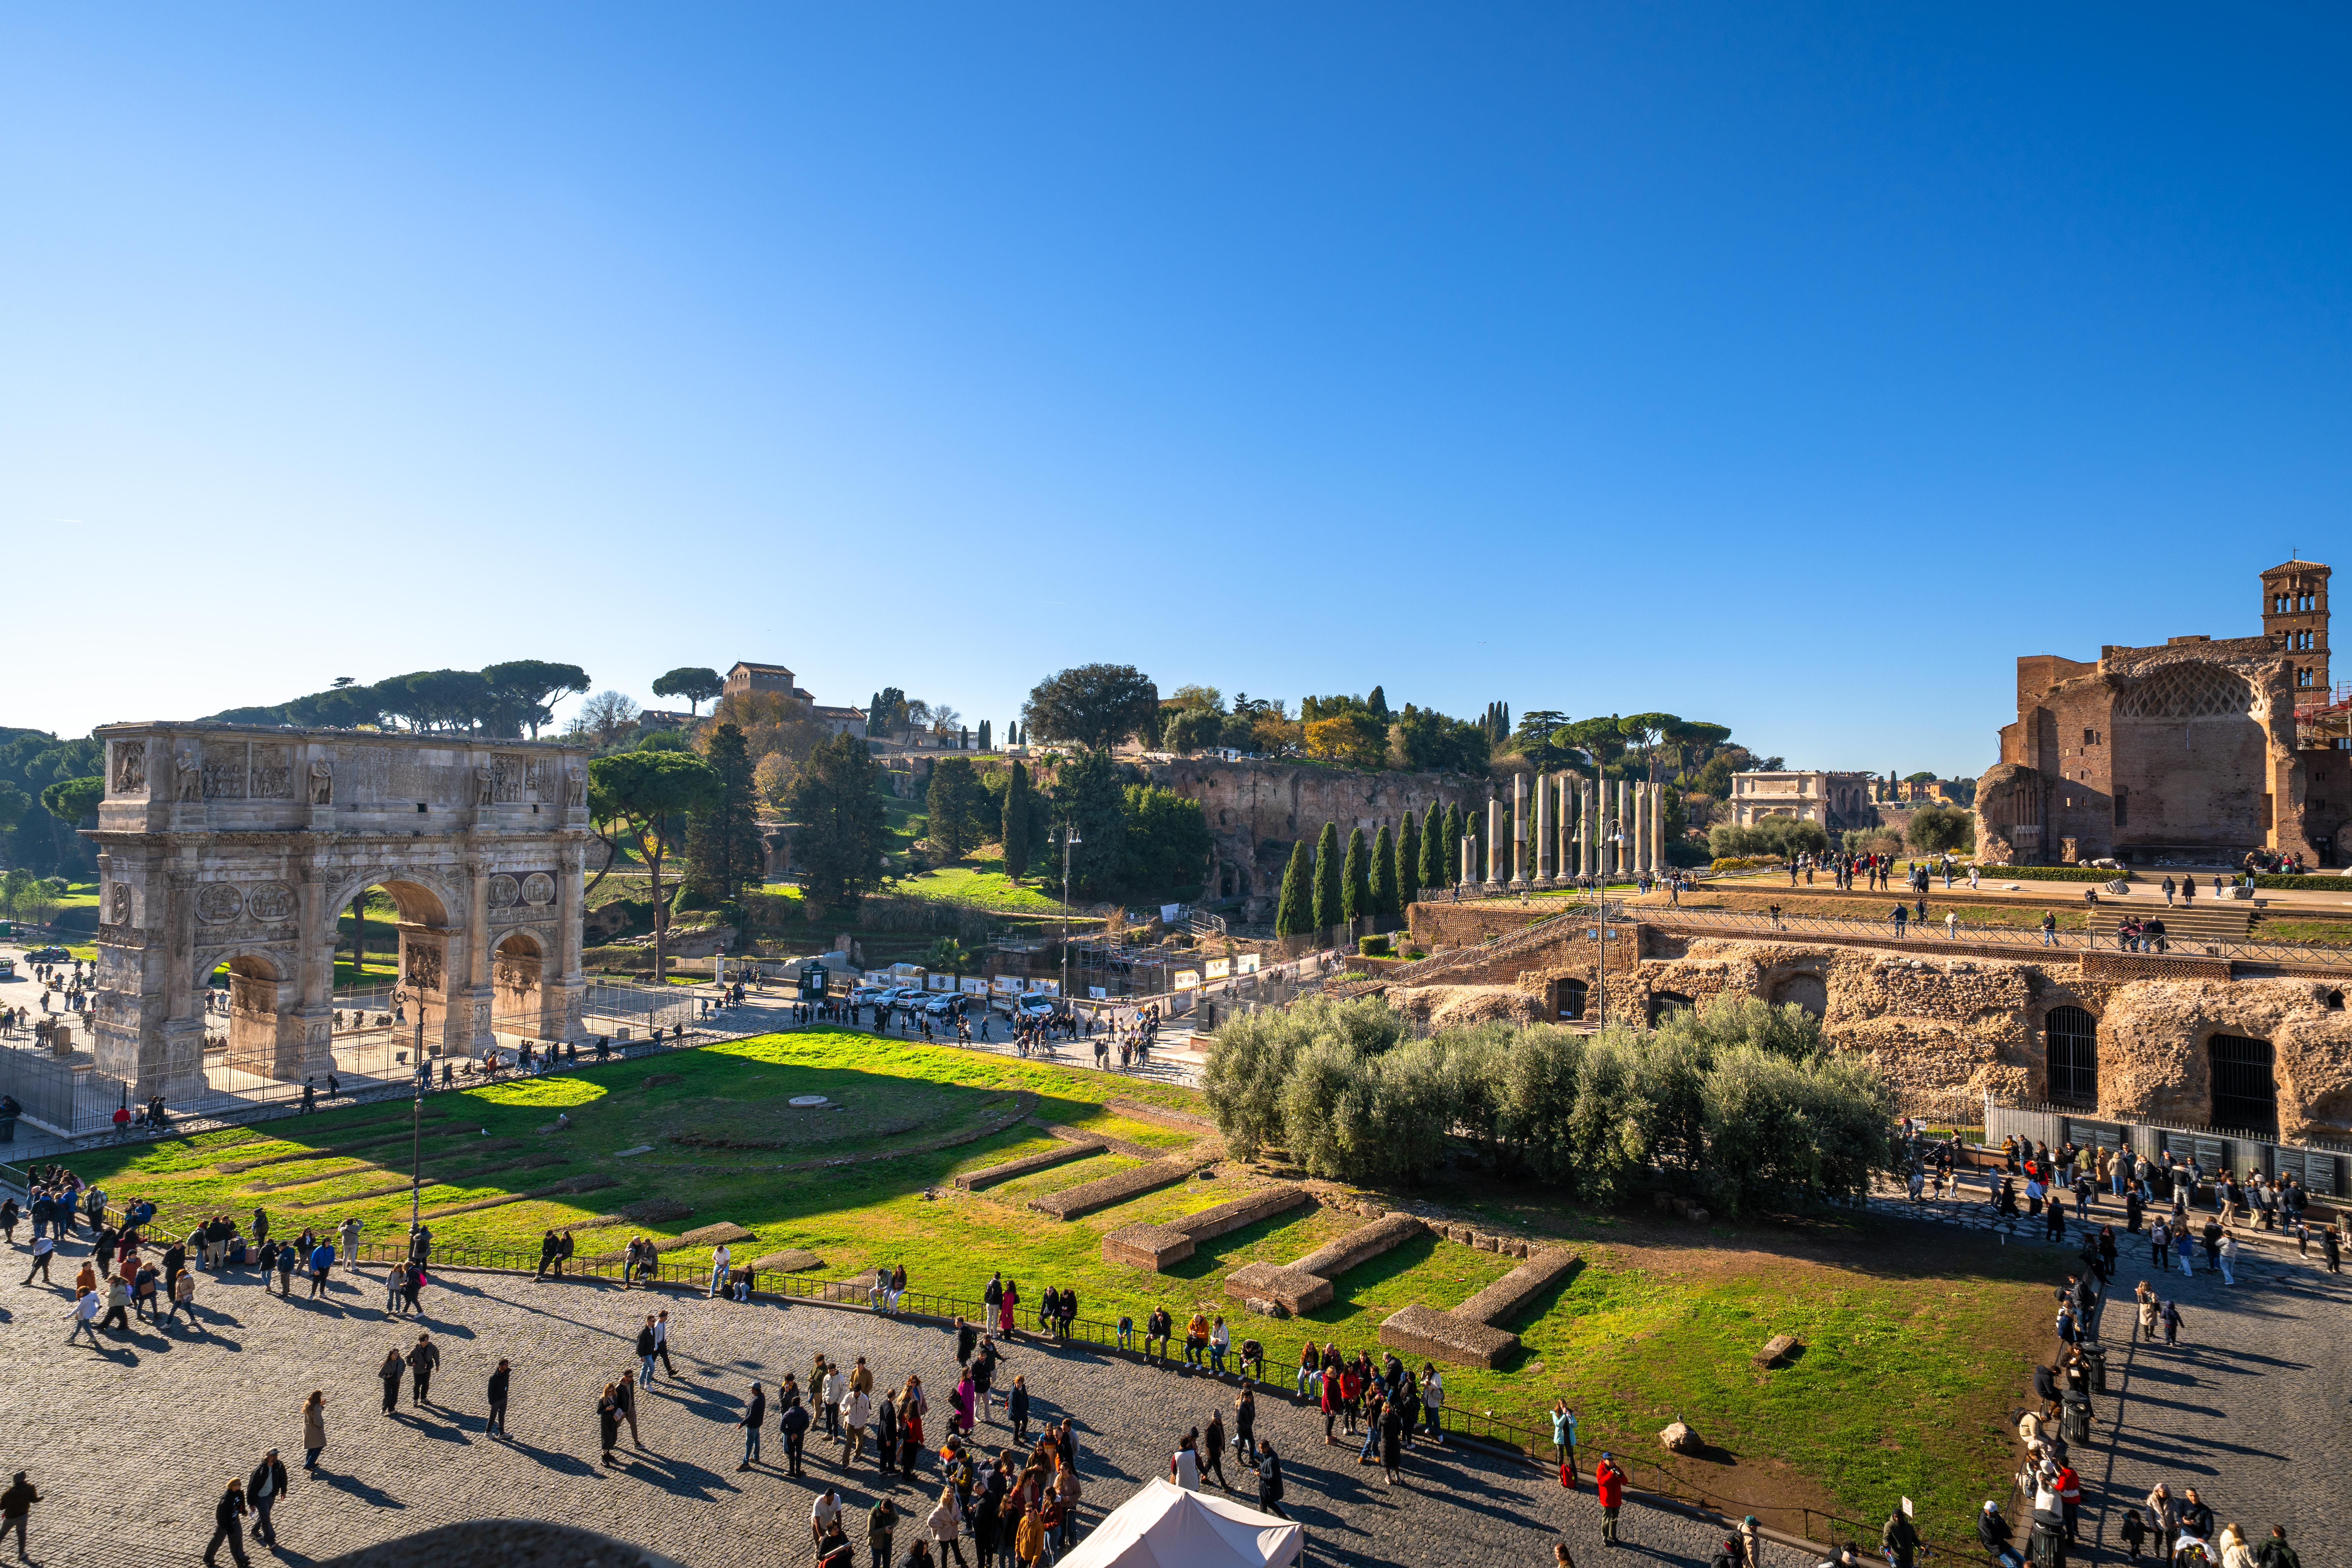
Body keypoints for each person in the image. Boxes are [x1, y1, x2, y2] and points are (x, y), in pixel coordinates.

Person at [203, 1478, 251, 1568]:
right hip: (224, 1525)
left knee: (237, 1541)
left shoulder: (239, 1493)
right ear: (234, 1487)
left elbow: (240, 1503)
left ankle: (241, 1562)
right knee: (217, 1542)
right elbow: (220, 1516)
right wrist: (228, 1527)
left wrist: (243, 1511)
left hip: (235, 1520)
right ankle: (208, 1560)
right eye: (239, 1484)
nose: (241, 1485)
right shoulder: (225, 1501)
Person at [246, 1451, 287, 1550]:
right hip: (260, 1498)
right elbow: (252, 1488)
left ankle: (255, 1531)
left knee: (265, 1515)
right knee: (266, 1519)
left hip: (271, 1495)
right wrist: (251, 1503)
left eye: (276, 1456)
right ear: (267, 1457)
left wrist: (283, 1491)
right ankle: (271, 1541)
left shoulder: (279, 1465)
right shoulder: (260, 1471)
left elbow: (283, 1478)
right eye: (273, 1456)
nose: (276, 1458)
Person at [0, 1472, 37, 1562]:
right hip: (23, 1516)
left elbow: (2, 1507)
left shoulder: (8, 1494)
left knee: (2, 1534)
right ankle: (21, 1554)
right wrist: (41, 1498)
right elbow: (34, 1500)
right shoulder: (29, 1488)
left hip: (10, 1517)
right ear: (24, 1480)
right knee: (21, 1534)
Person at [1979, 1501, 2023, 1568]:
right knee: (2012, 1565)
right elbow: (1992, 1537)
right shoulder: (1982, 1522)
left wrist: (2003, 1534)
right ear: (1988, 1511)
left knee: (2022, 1561)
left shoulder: (1995, 1515)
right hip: (1992, 1546)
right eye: (1994, 1512)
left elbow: (2006, 1529)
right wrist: (2002, 1534)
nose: (1996, 1513)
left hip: (2001, 1542)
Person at [1256, 1439, 1286, 1520]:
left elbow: (1272, 1477)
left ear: (1266, 1449)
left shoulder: (1271, 1460)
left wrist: (1261, 1475)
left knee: (1264, 1505)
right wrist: (1259, 1469)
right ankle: (1285, 1519)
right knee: (1270, 1504)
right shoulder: (1269, 1455)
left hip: (1267, 1490)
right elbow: (1264, 1466)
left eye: (1261, 1449)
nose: (1260, 1450)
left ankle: (1264, 1521)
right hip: (1267, 1489)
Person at [407, 1332, 440, 1407]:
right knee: (417, 1385)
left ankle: (423, 1398)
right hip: (417, 1371)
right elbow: (408, 1357)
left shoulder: (432, 1347)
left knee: (426, 1384)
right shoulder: (415, 1350)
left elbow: (436, 1356)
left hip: (427, 1369)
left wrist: (437, 1365)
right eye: (424, 1341)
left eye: (427, 1340)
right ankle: (416, 1399)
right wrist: (411, 1364)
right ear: (420, 1342)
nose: (426, 1342)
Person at [597, 1383, 623, 1467]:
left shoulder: (615, 1398)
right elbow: (599, 1411)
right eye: (609, 1392)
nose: (610, 1393)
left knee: (613, 1437)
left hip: (613, 1420)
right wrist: (606, 1409)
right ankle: (604, 1456)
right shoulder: (603, 1400)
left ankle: (608, 1453)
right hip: (606, 1422)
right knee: (606, 1438)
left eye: (612, 1391)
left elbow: (617, 1406)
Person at [301, 1392, 328, 1470]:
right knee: (320, 1446)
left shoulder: (308, 1404)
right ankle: (309, 1464)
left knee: (312, 1446)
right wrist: (322, 1425)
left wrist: (321, 1406)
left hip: (308, 1429)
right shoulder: (316, 1407)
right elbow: (317, 1422)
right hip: (315, 1430)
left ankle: (309, 1462)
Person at [487, 1360, 511, 1438]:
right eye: (505, 1365)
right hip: (497, 1400)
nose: (507, 1366)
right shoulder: (494, 1378)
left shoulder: (506, 1373)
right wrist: (492, 1402)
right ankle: (488, 1432)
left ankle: (502, 1433)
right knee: (493, 1417)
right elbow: (490, 1391)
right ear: (500, 1366)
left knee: (502, 1416)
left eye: (507, 1365)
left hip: (504, 1398)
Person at [379, 1349, 405, 1414]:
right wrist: (386, 1377)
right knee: (388, 1396)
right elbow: (381, 1374)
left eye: (397, 1353)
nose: (396, 1355)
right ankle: (384, 1408)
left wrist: (401, 1373)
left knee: (395, 1396)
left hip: (397, 1381)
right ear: (391, 1356)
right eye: (394, 1354)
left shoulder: (401, 1361)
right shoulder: (387, 1364)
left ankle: (391, 1409)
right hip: (388, 1382)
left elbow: (404, 1367)